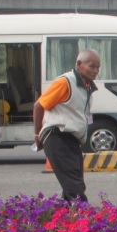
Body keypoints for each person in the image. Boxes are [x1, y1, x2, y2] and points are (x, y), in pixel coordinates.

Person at [34, 49, 100, 202]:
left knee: (72, 186)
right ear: (79, 64)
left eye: (98, 67)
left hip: (72, 140)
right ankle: (85, 220)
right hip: (58, 137)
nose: (96, 70)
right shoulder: (65, 82)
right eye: (92, 66)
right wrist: (37, 135)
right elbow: (39, 106)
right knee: (75, 188)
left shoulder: (87, 86)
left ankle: (66, 219)